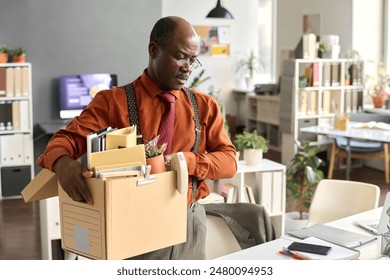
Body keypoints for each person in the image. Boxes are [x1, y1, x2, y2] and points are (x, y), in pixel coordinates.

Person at [37, 16, 237, 260]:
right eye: (181, 56)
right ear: (154, 50)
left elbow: (229, 161)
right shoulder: (112, 102)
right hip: (133, 227)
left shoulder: (205, 106)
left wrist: (187, 161)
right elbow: (60, 142)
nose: (187, 67)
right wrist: (62, 163)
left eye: (193, 60)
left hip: (189, 226)